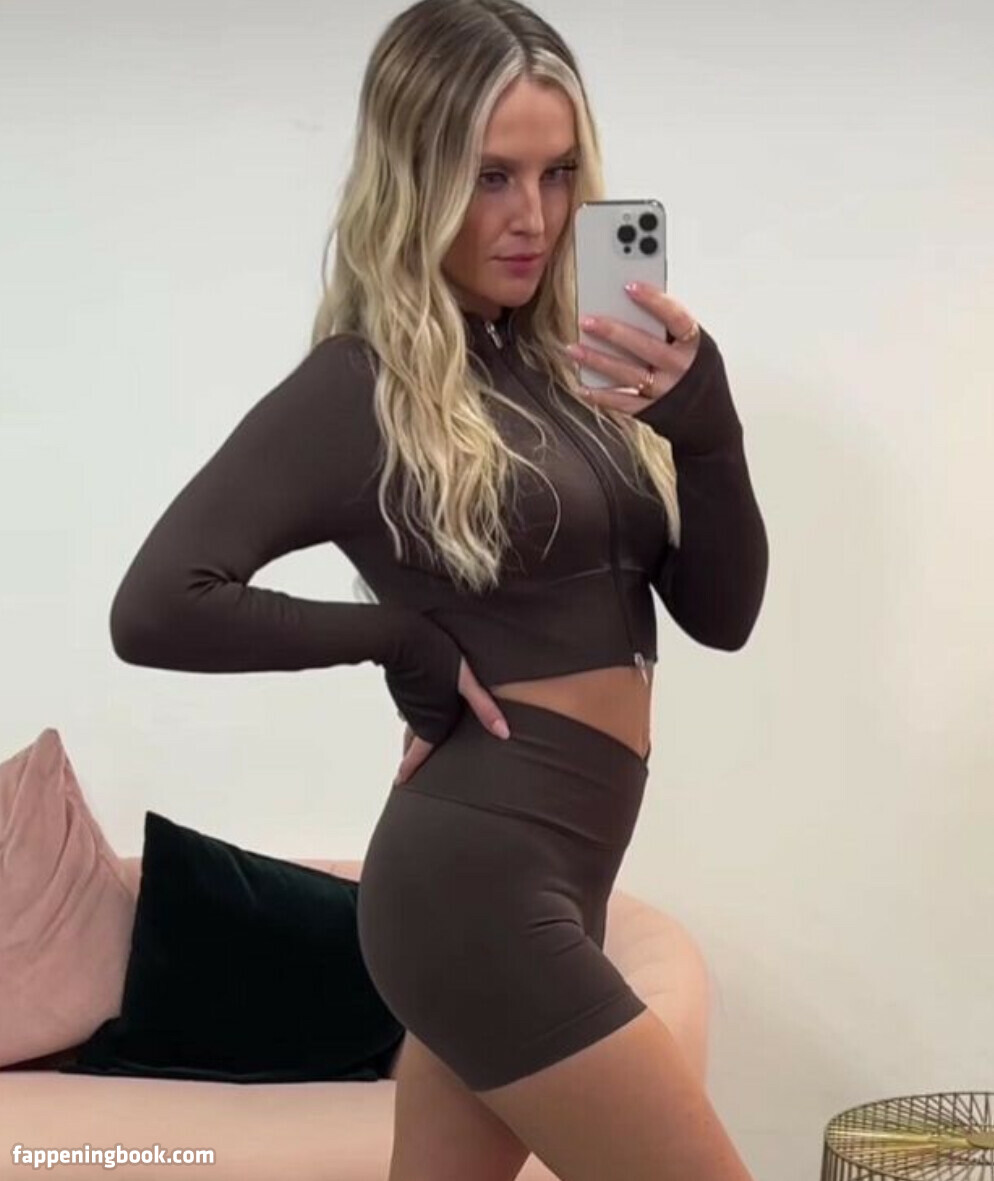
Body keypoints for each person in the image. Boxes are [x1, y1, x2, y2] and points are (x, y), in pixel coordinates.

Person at [108, 1, 768, 1177]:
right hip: (475, 886)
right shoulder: (358, 385)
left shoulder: (573, 369)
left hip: (555, 868)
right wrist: (400, 640)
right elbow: (158, 603)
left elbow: (720, 616)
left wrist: (708, 431)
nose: (533, 217)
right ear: (414, 178)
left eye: (557, 174)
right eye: (490, 176)